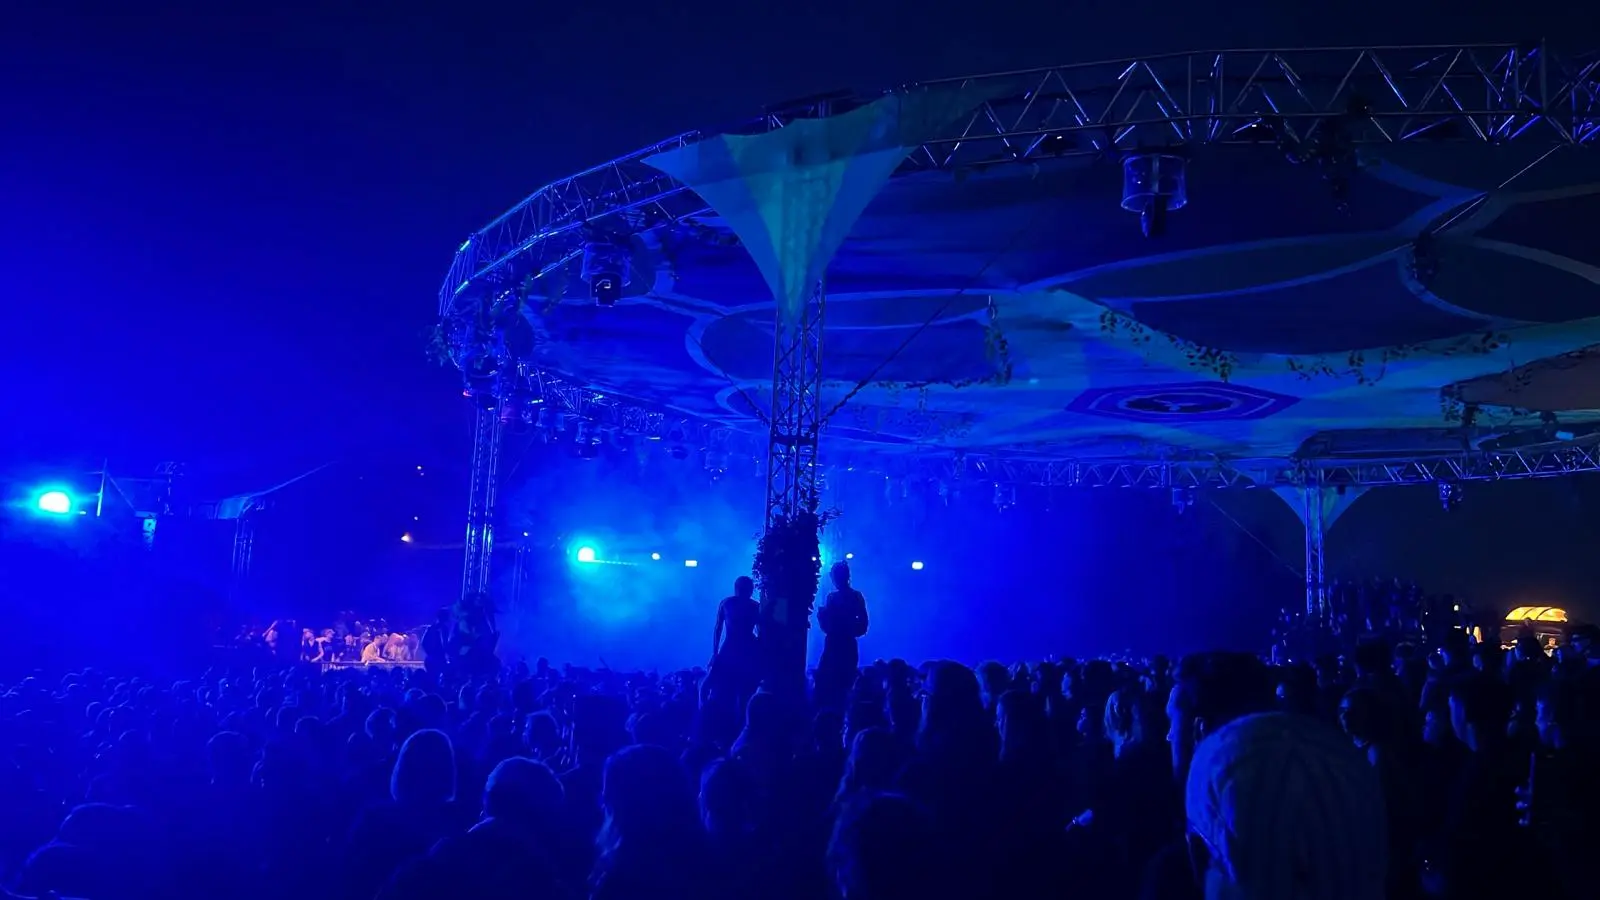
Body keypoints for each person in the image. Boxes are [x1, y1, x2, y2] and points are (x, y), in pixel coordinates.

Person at [816, 562, 868, 709]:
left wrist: (828, 620)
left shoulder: (837, 598)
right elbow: (863, 625)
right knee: (840, 684)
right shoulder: (851, 597)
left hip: (837, 645)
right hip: (842, 644)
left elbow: (862, 625)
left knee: (832, 683)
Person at [709, 576, 760, 707]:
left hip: (738, 647)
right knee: (728, 684)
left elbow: (718, 628)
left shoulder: (729, 603)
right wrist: (715, 653)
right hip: (740, 647)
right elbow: (718, 628)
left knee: (739, 686)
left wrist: (715, 653)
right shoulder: (729, 604)